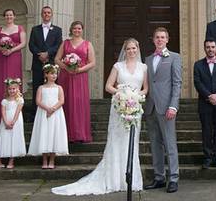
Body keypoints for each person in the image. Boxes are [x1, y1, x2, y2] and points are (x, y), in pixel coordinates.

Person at [52, 38, 149, 195]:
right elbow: (108, 86)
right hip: (120, 107)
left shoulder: (143, 67)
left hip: (134, 108)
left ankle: (130, 179)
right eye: (128, 49)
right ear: (125, 50)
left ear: (138, 49)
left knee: (131, 143)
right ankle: (113, 179)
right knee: (117, 142)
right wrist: (122, 94)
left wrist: (135, 96)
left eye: (134, 48)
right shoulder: (118, 66)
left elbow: (145, 89)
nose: (131, 51)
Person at [144, 27, 182, 193]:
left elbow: (177, 83)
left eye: (162, 37)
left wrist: (173, 105)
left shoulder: (174, 57)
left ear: (167, 40)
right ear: (153, 40)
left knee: (170, 143)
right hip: (150, 107)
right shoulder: (147, 59)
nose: (159, 40)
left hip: (167, 107)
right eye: (157, 37)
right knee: (155, 144)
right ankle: (159, 177)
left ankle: (173, 178)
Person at [54, 20, 94, 143]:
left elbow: (92, 62)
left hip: (80, 78)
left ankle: (79, 133)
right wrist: (66, 67)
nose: (77, 31)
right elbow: (57, 59)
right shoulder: (65, 43)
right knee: (67, 102)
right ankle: (65, 133)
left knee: (79, 103)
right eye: (75, 28)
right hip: (66, 76)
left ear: (82, 30)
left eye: (79, 29)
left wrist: (79, 69)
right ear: (71, 30)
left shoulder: (88, 44)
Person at [193, 39, 216, 169]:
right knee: (206, 132)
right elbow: (197, 83)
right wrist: (209, 96)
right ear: (204, 48)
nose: (210, 49)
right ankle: (208, 158)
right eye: (208, 47)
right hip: (205, 103)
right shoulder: (198, 65)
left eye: (213, 47)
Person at [28, 63, 68, 169]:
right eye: (51, 74)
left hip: (56, 113)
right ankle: (44, 159)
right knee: (44, 134)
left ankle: (52, 160)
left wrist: (53, 109)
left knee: (54, 134)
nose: (54, 76)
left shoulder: (59, 88)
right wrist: (47, 109)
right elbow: (38, 101)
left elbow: (61, 100)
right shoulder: (41, 88)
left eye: (55, 74)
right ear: (46, 75)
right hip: (43, 112)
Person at [0, 8, 27, 124]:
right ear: (4, 17)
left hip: (14, 57)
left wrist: (11, 50)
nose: (9, 17)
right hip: (1, 57)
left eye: (11, 15)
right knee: (0, 83)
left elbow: (23, 43)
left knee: (14, 82)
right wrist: (2, 48)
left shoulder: (20, 28)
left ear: (14, 16)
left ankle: (14, 115)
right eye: (6, 15)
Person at [28, 6, 62, 116]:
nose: (46, 14)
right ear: (41, 15)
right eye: (44, 13)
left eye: (48, 13)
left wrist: (47, 53)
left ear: (51, 15)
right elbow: (31, 45)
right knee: (37, 87)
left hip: (51, 63)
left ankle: (53, 111)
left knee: (52, 87)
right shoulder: (35, 29)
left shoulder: (57, 30)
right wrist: (40, 54)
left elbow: (58, 45)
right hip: (37, 63)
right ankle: (35, 114)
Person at [0, 78, 27, 169]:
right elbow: (3, 112)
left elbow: (18, 112)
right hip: (6, 121)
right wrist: (6, 122)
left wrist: (13, 122)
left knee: (14, 138)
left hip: (16, 122)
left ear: (17, 89)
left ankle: (11, 160)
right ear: (7, 90)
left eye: (14, 89)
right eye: (10, 89)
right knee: (3, 138)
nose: (12, 91)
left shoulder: (20, 100)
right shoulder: (4, 101)